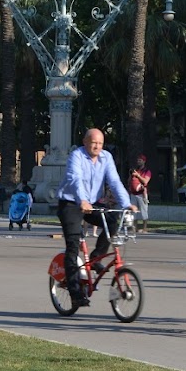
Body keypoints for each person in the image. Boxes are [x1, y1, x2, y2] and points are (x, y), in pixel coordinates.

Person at [55, 128, 133, 308]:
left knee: (113, 223)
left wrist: (126, 204)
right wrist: (81, 200)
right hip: (71, 202)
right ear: (85, 142)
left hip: (92, 202)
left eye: (100, 143)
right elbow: (75, 179)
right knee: (73, 246)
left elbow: (114, 181)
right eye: (93, 143)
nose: (97, 146)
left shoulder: (106, 157)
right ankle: (75, 293)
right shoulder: (77, 156)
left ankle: (97, 256)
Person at [128, 153, 152, 234]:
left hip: (142, 194)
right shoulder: (135, 170)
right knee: (133, 211)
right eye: (138, 160)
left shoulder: (147, 171)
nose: (138, 161)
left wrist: (138, 176)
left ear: (144, 161)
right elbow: (129, 181)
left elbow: (145, 181)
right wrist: (131, 175)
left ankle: (145, 228)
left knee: (144, 211)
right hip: (133, 193)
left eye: (140, 160)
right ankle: (134, 227)